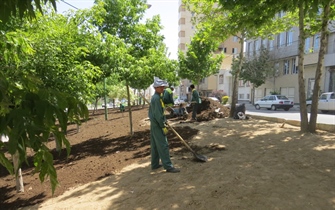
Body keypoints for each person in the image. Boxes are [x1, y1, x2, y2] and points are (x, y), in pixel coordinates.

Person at [148, 77, 180, 173]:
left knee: (155, 145)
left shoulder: (157, 97)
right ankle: (168, 166)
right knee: (163, 145)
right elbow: (158, 115)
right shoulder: (156, 98)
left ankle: (155, 164)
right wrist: (163, 125)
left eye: (163, 87)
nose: (163, 89)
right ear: (156, 88)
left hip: (154, 124)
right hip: (157, 125)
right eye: (161, 87)